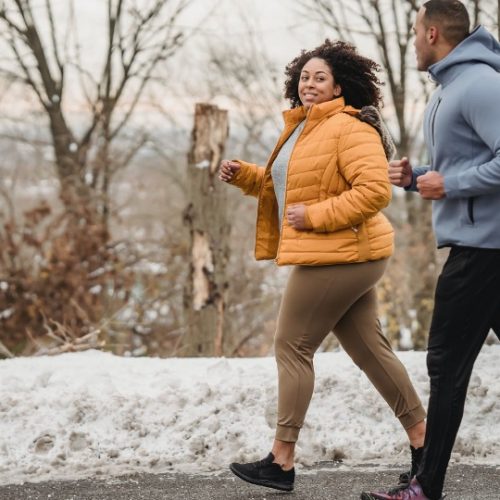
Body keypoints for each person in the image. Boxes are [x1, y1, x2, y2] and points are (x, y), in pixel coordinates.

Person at [218, 39, 427, 493]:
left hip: (340, 254)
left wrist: (313, 217)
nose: (309, 84)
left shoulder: (350, 128)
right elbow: (292, 187)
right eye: (304, 76)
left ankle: (281, 459)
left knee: (291, 346)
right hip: (344, 254)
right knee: (369, 350)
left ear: (340, 87)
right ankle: (424, 443)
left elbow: (374, 192)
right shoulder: (303, 129)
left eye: (320, 78)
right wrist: (246, 176)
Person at [361, 1, 500, 499]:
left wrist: (452, 182)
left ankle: (425, 488)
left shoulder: (481, 84)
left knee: (445, 364)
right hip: (481, 242)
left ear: (434, 32)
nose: (414, 42)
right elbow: (464, 167)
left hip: (482, 250)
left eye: (417, 32)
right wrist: (416, 179)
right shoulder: (449, 89)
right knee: (449, 365)